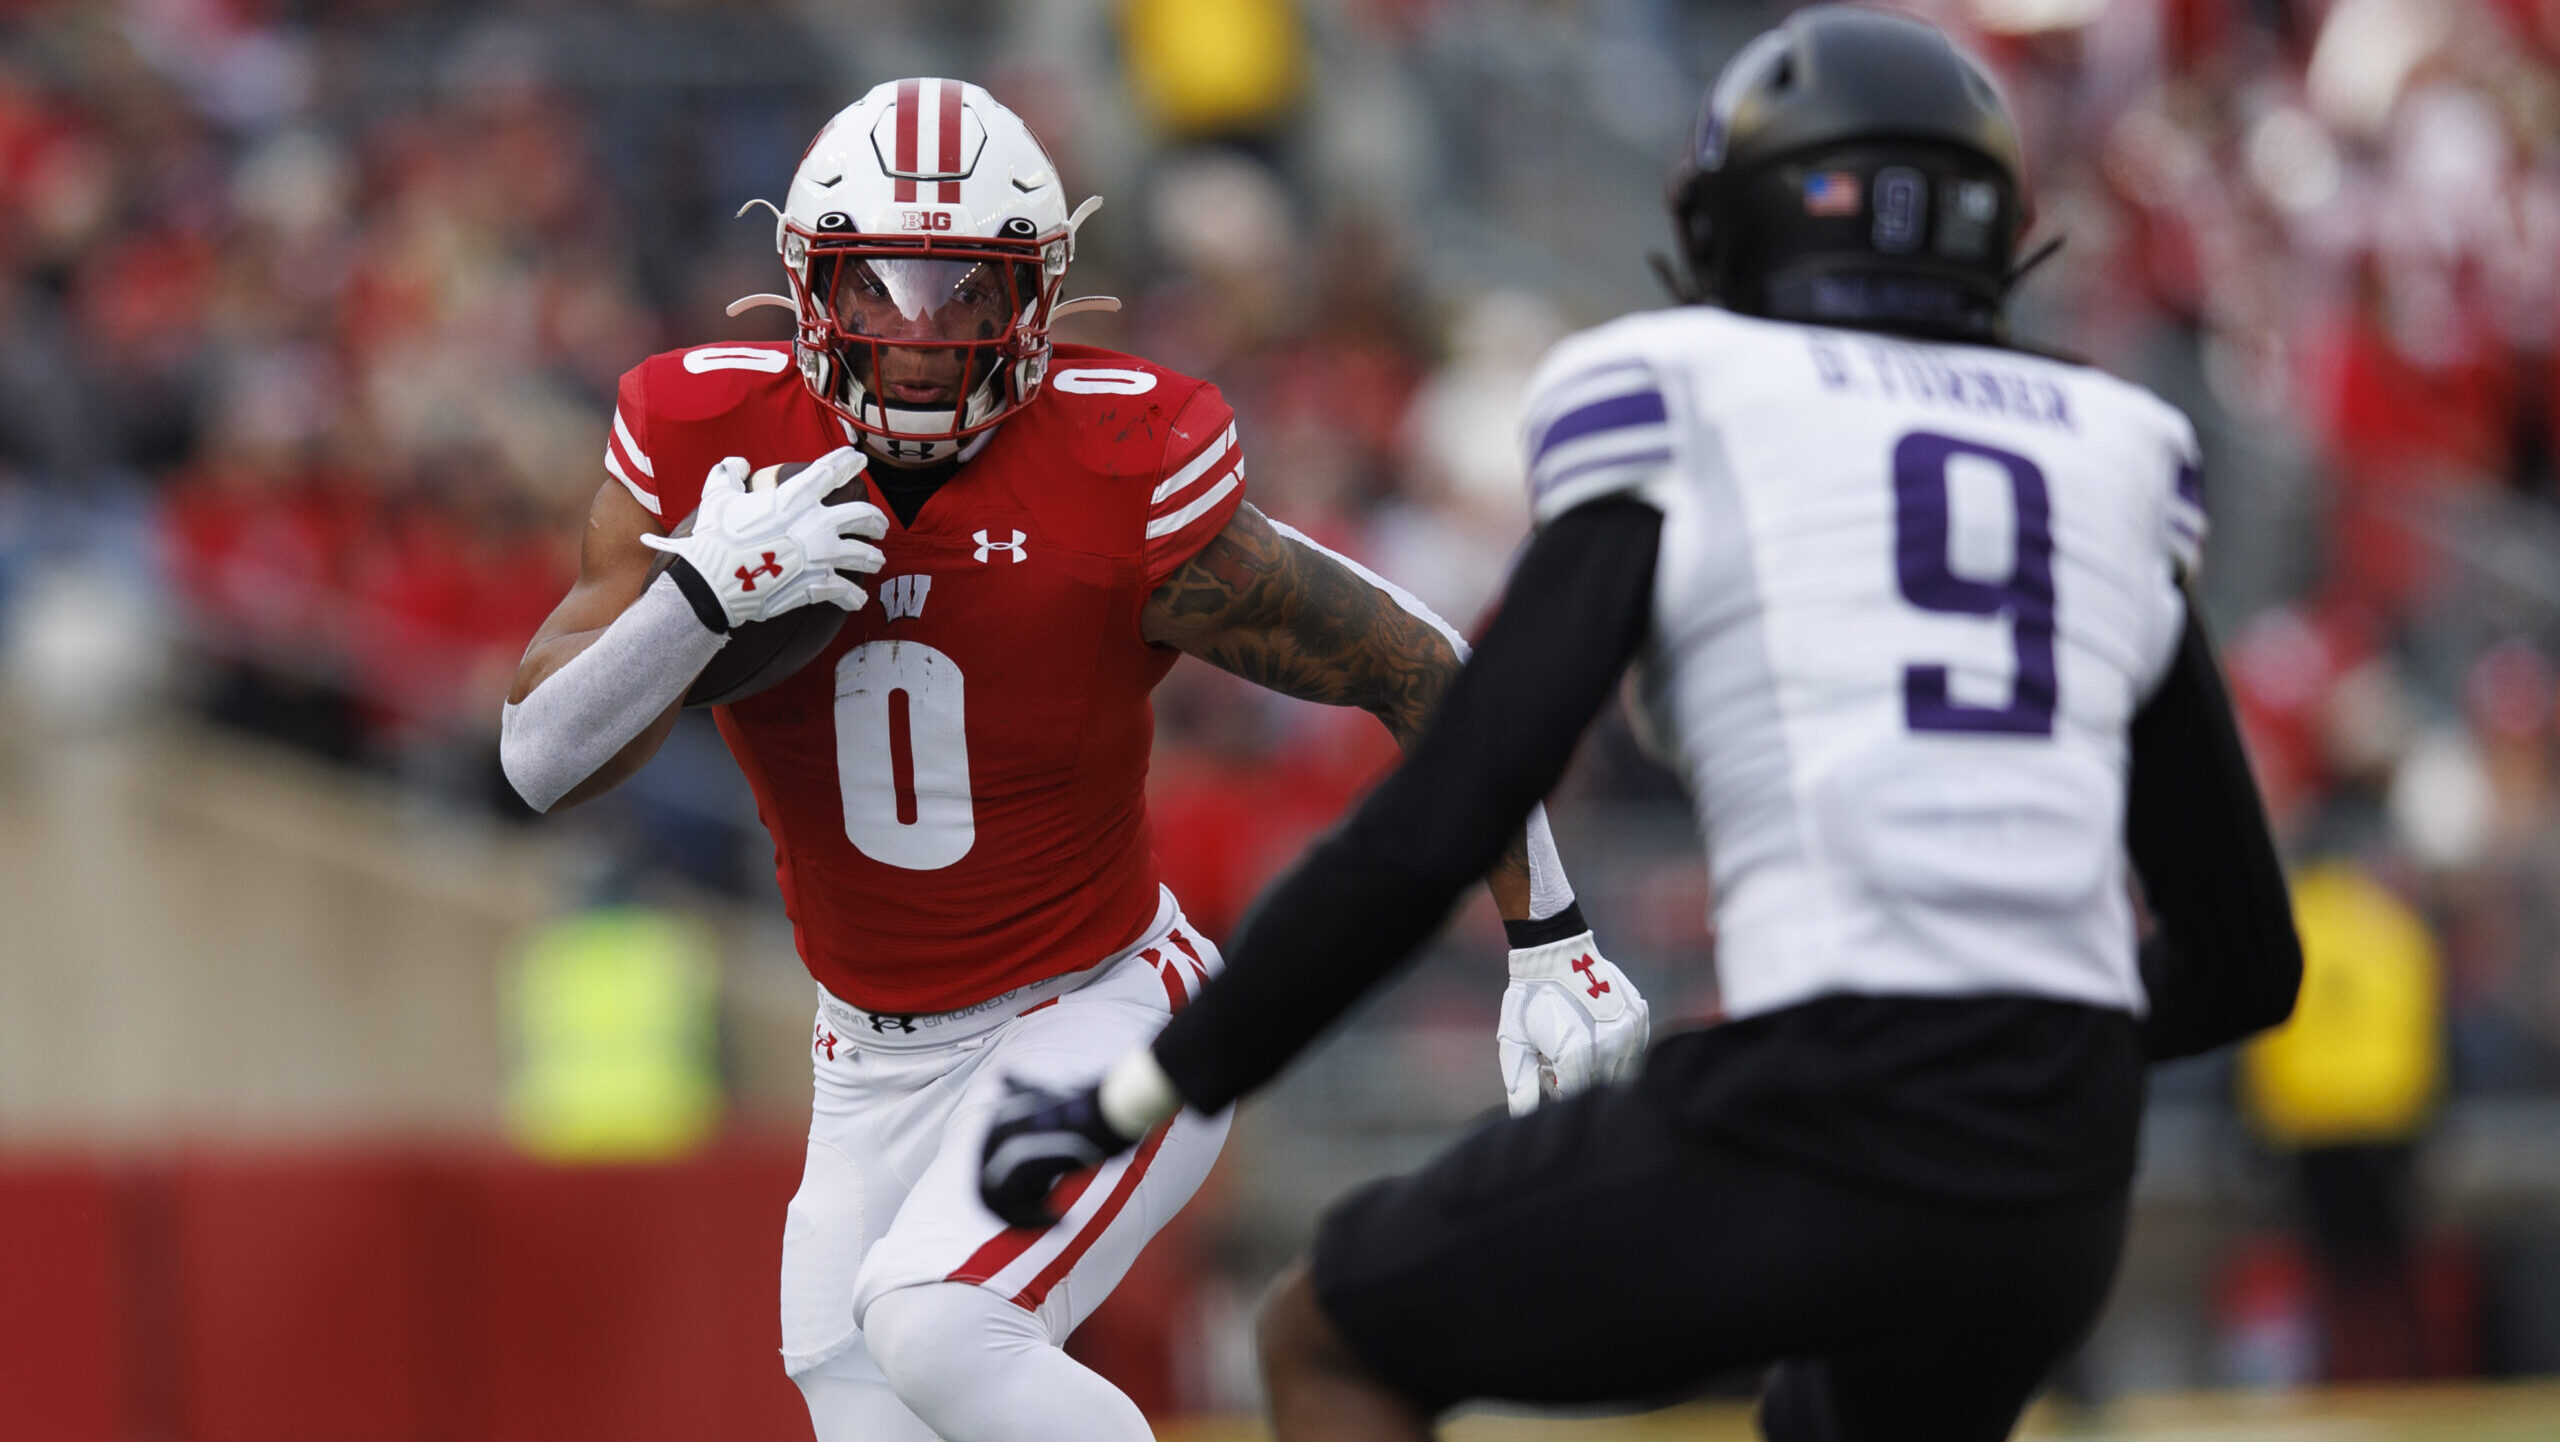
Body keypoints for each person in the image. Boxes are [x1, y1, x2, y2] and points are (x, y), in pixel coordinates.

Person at [979, 12, 2303, 1441]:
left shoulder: (1689, 393)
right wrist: (2013, 1067)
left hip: (1825, 1102)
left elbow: (1452, 807)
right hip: (2059, 1165)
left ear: (1730, 224)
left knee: (1332, 1332)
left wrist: (1143, 1087)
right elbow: (2245, 961)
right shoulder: (2114, 449)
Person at [494, 79, 1647, 1442]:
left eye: (967, 295)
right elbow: (538, 759)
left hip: (1098, 1003)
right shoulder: (707, 443)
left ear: (1038, 299)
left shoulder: (1116, 461)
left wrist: (1551, 927)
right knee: (854, 1379)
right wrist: (698, 601)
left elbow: (1412, 660)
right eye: (880, 291)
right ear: (809, 285)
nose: (920, 343)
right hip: (864, 1050)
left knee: (937, 1315)